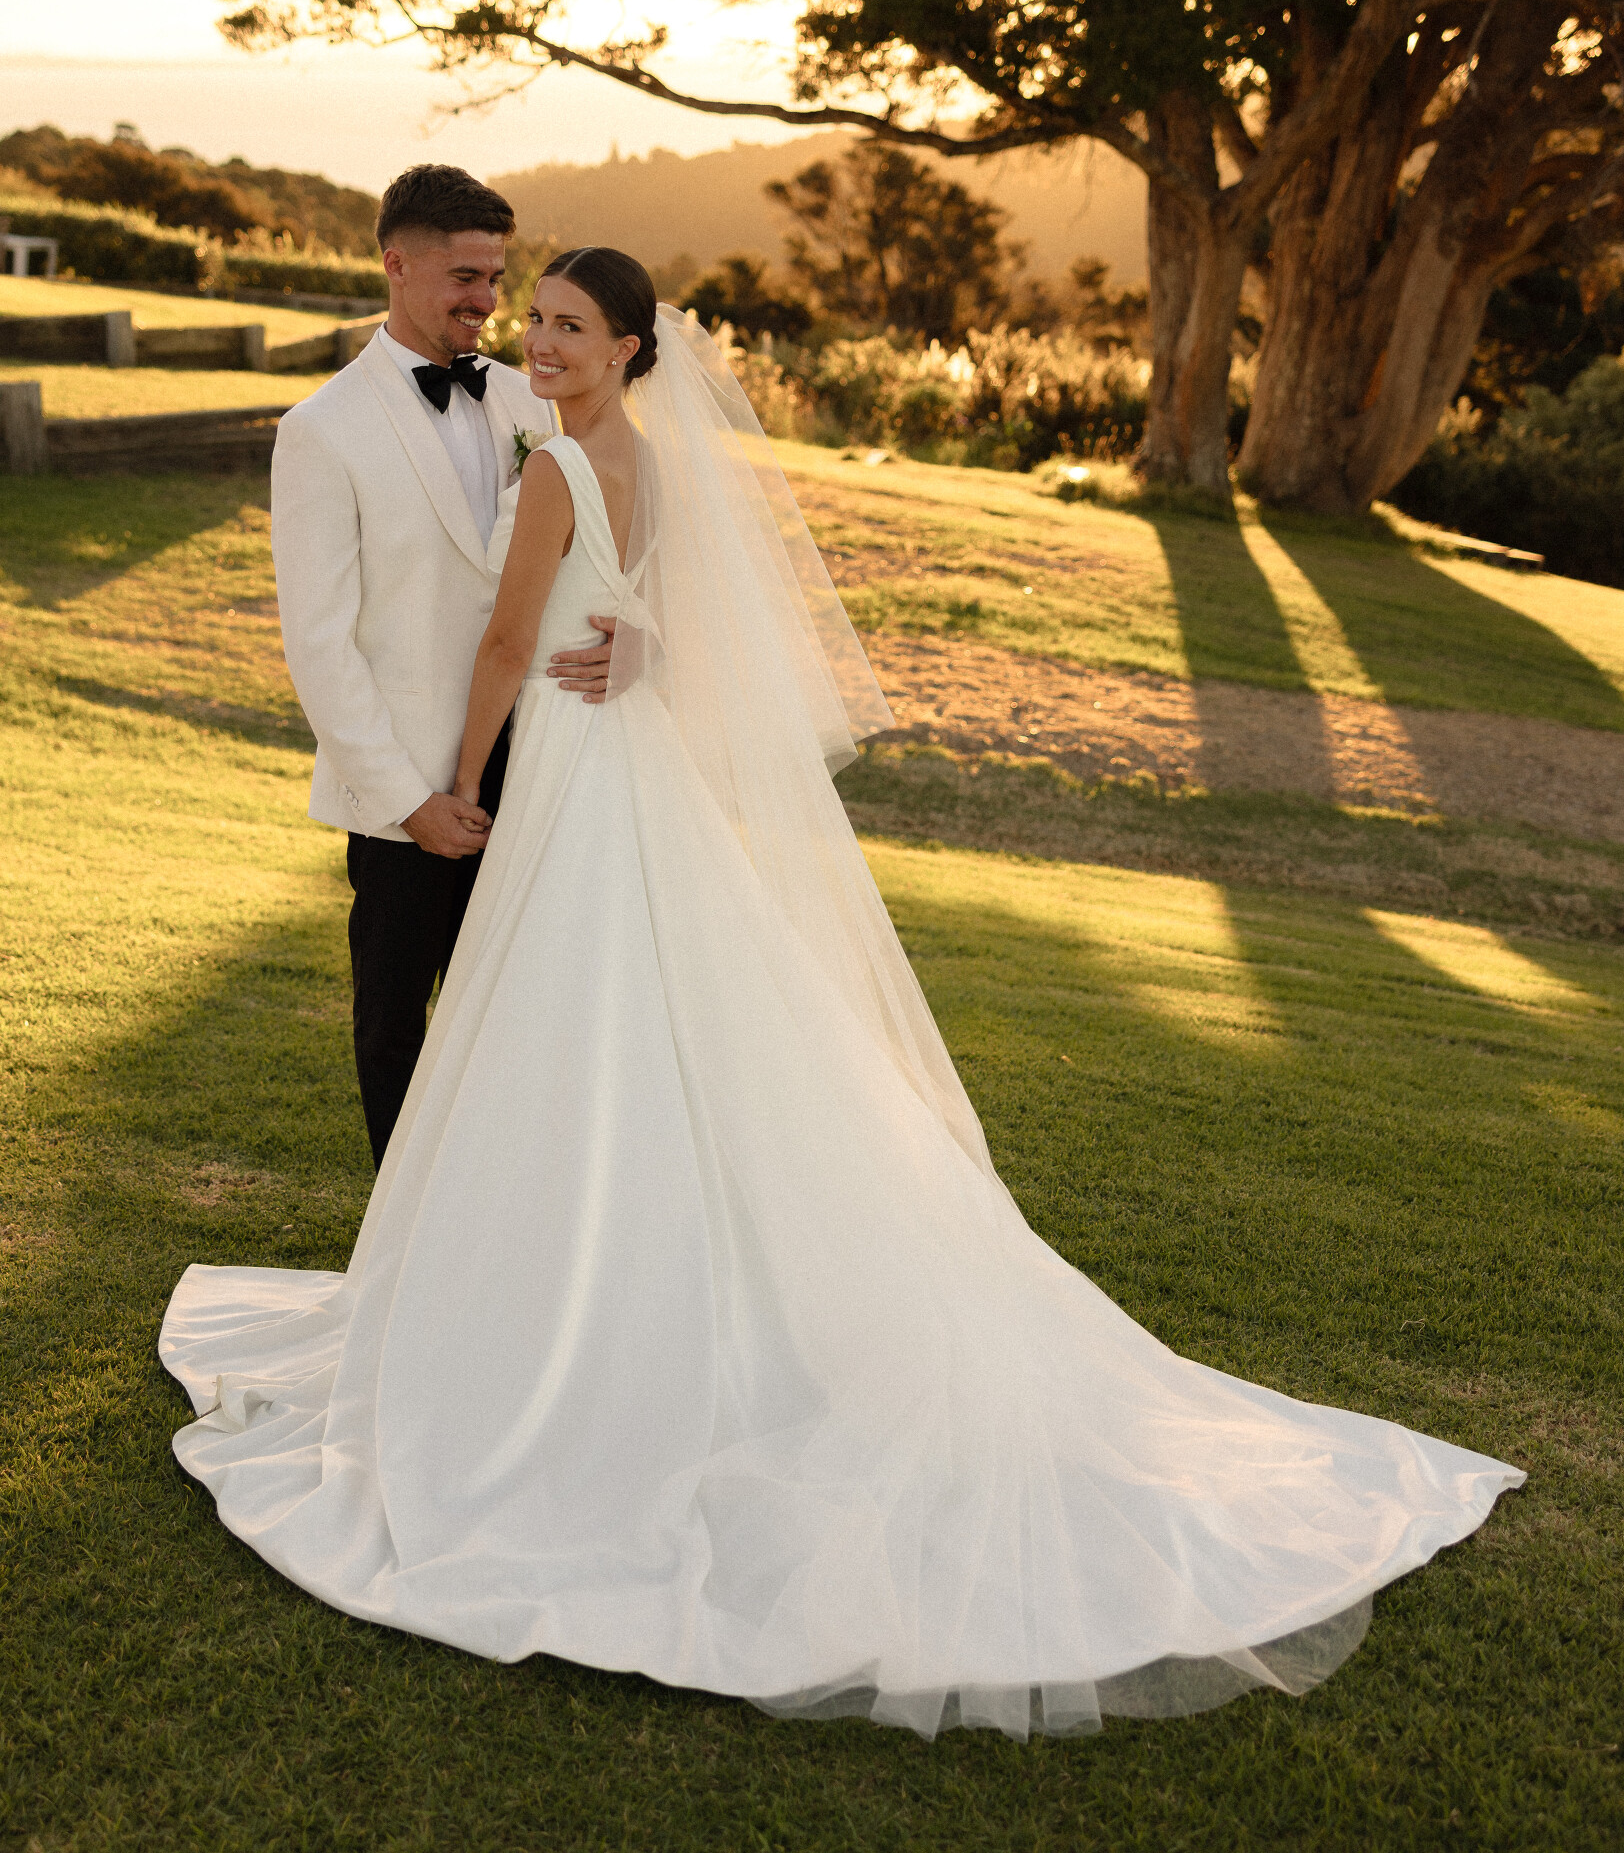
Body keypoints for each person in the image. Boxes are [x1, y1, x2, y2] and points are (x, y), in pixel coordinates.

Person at [164, 249, 1523, 1741]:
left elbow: (504, 641)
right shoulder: (648, 461)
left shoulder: (555, 467)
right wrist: (639, 643)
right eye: (533, 318)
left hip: (564, 777)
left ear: (627, 349)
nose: (539, 341)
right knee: (658, 1031)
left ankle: (573, 1326)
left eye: (569, 326)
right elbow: (674, 614)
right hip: (630, 769)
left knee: (574, 1033)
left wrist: (452, 780)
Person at [268, 165, 615, 1167]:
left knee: (518, 1018)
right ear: (397, 265)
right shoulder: (320, 430)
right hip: (404, 793)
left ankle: (499, 1222)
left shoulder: (525, 396)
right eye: (466, 276)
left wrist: (629, 634)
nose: (487, 300)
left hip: (539, 764)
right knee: (394, 1028)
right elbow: (320, 645)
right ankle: (402, 1241)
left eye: (496, 277)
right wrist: (408, 801)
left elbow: (595, 548)